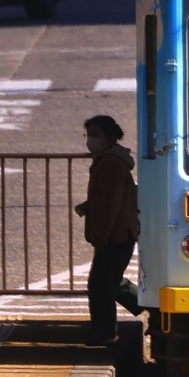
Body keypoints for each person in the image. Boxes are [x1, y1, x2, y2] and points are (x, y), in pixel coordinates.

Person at [74, 115, 141, 345]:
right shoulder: (107, 159)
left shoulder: (110, 163)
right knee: (109, 281)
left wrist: (101, 235)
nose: (90, 139)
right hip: (119, 233)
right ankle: (146, 303)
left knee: (101, 285)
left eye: (95, 135)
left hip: (115, 234)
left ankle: (107, 332)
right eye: (88, 134)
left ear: (110, 138)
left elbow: (112, 202)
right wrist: (89, 205)